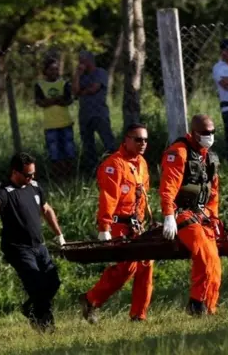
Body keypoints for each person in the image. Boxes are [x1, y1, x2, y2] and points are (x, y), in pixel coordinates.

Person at [0, 152, 65, 333]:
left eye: (33, 174)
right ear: (15, 172)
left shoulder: (35, 186)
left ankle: (31, 308)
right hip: (18, 248)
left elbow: (46, 210)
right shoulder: (5, 192)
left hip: (39, 245)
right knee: (36, 284)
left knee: (53, 282)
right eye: (28, 174)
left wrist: (59, 235)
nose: (32, 178)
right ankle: (45, 325)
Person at [79, 123, 154, 323]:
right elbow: (108, 197)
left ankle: (139, 315)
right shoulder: (114, 164)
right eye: (138, 139)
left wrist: (146, 220)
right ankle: (91, 299)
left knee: (146, 265)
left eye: (145, 140)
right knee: (126, 268)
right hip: (118, 225)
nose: (143, 143)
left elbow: (143, 194)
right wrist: (104, 227)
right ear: (126, 140)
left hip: (137, 225)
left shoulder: (142, 163)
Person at [159, 114, 222, 316]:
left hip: (202, 213)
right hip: (181, 213)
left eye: (212, 132)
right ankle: (196, 304)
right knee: (206, 257)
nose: (209, 136)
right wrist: (169, 215)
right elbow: (168, 187)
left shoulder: (209, 156)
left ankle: (210, 307)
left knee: (214, 263)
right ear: (194, 133)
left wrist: (213, 217)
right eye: (205, 133)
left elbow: (213, 192)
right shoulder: (178, 153)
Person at [72, 50, 117, 173]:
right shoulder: (81, 76)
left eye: (82, 61)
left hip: (99, 113)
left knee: (108, 140)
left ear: (89, 61)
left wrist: (82, 92)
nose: (80, 63)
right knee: (88, 144)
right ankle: (93, 170)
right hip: (85, 115)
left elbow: (93, 89)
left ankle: (115, 166)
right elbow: (75, 91)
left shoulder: (100, 73)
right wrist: (77, 74)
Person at [35, 57, 76, 178]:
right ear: (45, 71)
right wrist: (56, 100)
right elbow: (40, 102)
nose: (54, 72)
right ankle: (58, 177)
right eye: (51, 69)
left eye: (56, 69)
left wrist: (51, 101)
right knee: (54, 153)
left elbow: (68, 101)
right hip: (50, 125)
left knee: (69, 151)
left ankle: (70, 176)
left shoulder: (64, 84)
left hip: (65, 123)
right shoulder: (40, 86)